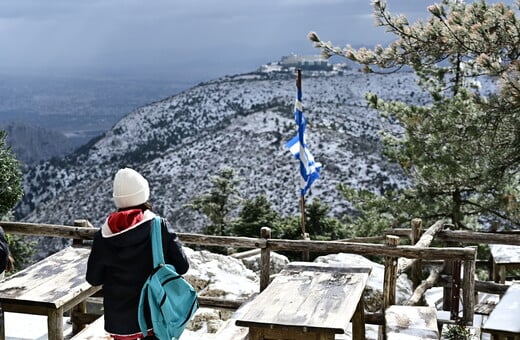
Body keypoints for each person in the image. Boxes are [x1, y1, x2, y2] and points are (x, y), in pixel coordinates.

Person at [86, 168, 189, 340]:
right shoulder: (159, 227)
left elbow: (93, 279)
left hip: (119, 323)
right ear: (144, 195)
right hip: (154, 317)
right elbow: (182, 267)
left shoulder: (103, 236)